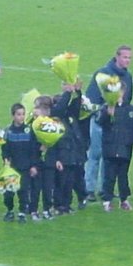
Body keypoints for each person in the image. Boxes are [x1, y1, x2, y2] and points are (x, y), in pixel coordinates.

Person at [84, 45, 133, 202]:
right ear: (117, 57)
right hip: (101, 120)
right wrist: (104, 110)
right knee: (95, 154)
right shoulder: (103, 74)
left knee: (109, 156)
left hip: (117, 124)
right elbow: (91, 97)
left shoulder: (128, 77)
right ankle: (89, 188)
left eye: (129, 58)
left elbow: (128, 98)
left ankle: (106, 189)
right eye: (125, 57)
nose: (127, 60)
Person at [96, 82, 133, 212]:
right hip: (110, 148)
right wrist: (107, 114)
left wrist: (131, 140)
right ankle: (107, 200)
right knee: (109, 174)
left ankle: (124, 199)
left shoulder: (130, 110)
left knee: (123, 175)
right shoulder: (107, 108)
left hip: (125, 148)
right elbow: (99, 122)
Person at [51, 82, 88, 215]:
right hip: (62, 155)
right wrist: (67, 92)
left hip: (73, 154)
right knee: (61, 182)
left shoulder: (70, 116)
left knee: (70, 182)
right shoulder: (55, 116)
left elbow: (76, 106)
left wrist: (77, 92)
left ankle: (66, 204)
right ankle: (58, 205)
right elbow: (60, 109)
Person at [2, 103, 40, 223]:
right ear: (13, 116)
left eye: (23, 114)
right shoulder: (8, 131)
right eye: (19, 114)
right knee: (8, 193)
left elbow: (33, 150)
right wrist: (6, 160)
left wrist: (33, 166)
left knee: (23, 191)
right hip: (11, 168)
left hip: (25, 167)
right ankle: (10, 211)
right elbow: (4, 149)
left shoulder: (29, 131)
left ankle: (22, 213)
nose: (21, 117)